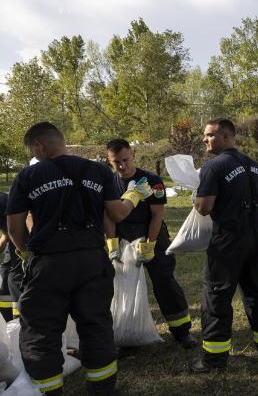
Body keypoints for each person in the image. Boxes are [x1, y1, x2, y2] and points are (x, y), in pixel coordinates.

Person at [7, 122, 153, 394]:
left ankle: (48, 390)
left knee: (41, 332)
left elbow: (15, 227)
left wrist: (27, 252)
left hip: (49, 263)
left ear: (39, 145)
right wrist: (133, 194)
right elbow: (118, 214)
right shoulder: (98, 171)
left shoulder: (28, 176)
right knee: (96, 325)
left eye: (32, 149)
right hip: (92, 260)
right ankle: (102, 389)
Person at [190, 118, 258, 372]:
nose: (205, 140)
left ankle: (214, 360)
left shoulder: (213, 166)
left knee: (216, 297)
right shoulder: (253, 166)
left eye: (209, 135)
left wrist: (196, 200)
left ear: (226, 136)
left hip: (229, 240)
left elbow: (205, 208)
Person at [103, 139, 196, 348]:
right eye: (116, 162)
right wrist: (112, 242)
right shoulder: (108, 184)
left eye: (126, 160)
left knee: (164, 282)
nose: (122, 166)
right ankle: (126, 333)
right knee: (122, 286)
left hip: (151, 233)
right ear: (109, 160)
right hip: (123, 237)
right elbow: (107, 216)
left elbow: (157, 215)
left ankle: (182, 331)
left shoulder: (152, 180)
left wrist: (150, 244)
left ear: (133, 154)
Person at [0, 191, 23, 322]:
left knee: (14, 278)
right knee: (5, 274)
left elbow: (10, 232)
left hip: (20, 235)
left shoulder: (3, 201)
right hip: (10, 235)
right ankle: (6, 319)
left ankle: (20, 319)